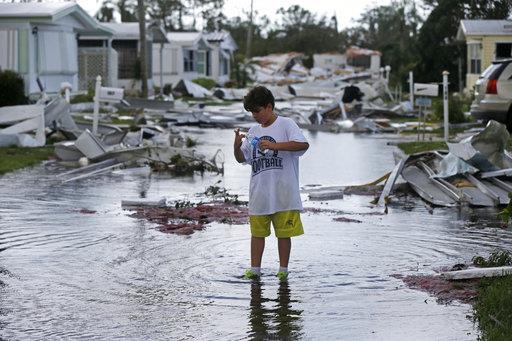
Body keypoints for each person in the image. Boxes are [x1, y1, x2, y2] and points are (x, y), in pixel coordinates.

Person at [234, 86, 309, 281]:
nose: (254, 116)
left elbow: (302, 145)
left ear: (269, 106)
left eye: (257, 111)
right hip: (260, 193)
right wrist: (236, 147)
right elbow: (242, 159)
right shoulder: (253, 130)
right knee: (257, 234)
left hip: (284, 193)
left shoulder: (286, 124)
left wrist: (274, 146)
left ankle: (283, 271)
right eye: (251, 112)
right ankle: (255, 270)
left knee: (284, 235)